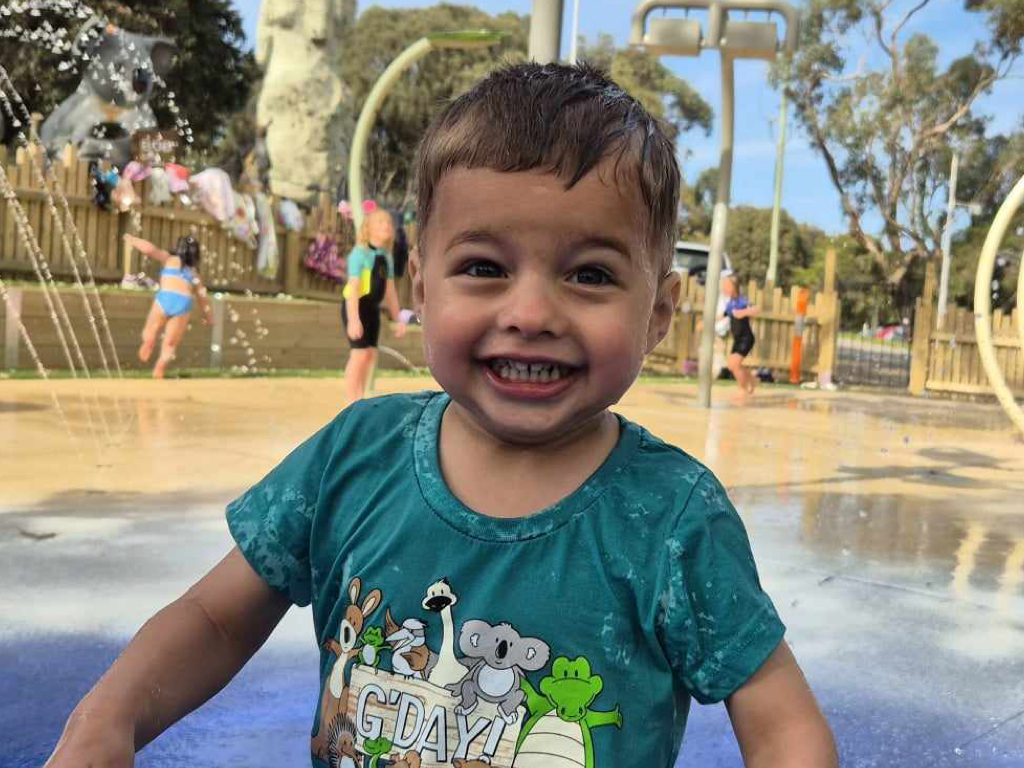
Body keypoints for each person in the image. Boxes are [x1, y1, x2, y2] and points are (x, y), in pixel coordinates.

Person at [46, 63, 837, 768]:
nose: (530, 311)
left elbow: (780, 726)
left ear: (659, 313)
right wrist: (107, 716)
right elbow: (216, 620)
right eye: (484, 267)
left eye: (590, 274)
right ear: (423, 287)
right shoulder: (354, 457)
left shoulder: (669, 518)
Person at [125, 232, 212, 379]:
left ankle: (149, 340)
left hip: (165, 297)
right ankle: (159, 369)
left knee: (150, 330)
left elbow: (150, 250)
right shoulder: (194, 273)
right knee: (170, 344)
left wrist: (132, 239)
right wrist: (209, 316)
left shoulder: (169, 259)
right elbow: (202, 297)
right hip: (183, 301)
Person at [341, 207, 406, 404]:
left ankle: (360, 400)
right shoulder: (359, 255)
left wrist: (399, 318)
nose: (387, 225)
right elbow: (353, 291)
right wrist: (354, 320)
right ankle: (352, 403)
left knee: (369, 355)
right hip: (356, 307)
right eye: (380, 222)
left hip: (372, 310)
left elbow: (390, 292)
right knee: (359, 354)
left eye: (388, 222)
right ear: (368, 229)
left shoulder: (386, 257)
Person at [720, 270, 760, 394]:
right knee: (732, 365)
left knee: (735, 365)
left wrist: (743, 313)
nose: (724, 289)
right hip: (738, 339)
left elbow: (756, 309)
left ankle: (743, 389)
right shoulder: (730, 304)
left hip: (746, 338)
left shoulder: (741, 301)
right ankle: (752, 380)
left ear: (734, 287)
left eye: (726, 286)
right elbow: (723, 315)